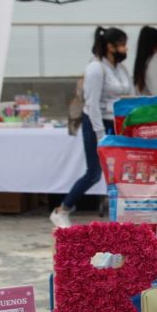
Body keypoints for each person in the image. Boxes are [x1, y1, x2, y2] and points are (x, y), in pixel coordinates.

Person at [50, 27, 135, 228]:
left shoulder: (120, 69)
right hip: (97, 124)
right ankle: (62, 209)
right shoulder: (96, 69)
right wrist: (100, 134)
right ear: (110, 46)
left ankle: (122, 214)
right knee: (94, 173)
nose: (125, 48)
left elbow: (130, 95)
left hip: (117, 124)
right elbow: (92, 104)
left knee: (121, 172)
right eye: (122, 44)